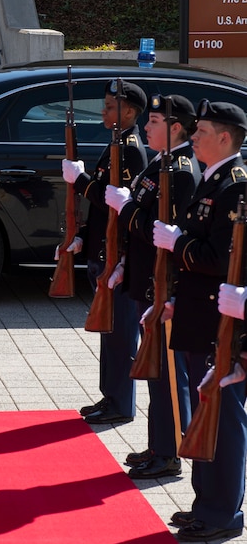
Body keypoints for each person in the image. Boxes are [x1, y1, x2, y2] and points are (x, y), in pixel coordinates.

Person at [153, 100, 247, 542]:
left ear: (224, 137)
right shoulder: (211, 179)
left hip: (219, 323)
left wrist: (177, 243)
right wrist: (175, 297)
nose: (192, 136)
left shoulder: (235, 187)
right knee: (204, 415)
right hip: (198, 314)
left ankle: (224, 511)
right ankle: (205, 503)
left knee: (223, 419)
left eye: (202, 130)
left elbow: (220, 259)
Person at [105, 94, 199, 478]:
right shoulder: (161, 164)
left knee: (169, 374)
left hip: (165, 288)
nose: (146, 126)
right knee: (157, 371)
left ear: (176, 128)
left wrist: (126, 209)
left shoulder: (180, 171)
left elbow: (166, 236)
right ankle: (159, 445)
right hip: (147, 284)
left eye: (155, 121)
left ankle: (171, 451)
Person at [61, 80, 148, 423]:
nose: (104, 111)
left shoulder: (130, 149)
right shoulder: (115, 143)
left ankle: (121, 403)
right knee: (109, 331)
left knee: (121, 333)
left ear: (129, 112)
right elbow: (102, 211)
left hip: (119, 258)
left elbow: (118, 204)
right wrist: (82, 236)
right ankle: (109, 396)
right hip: (103, 252)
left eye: (111, 106)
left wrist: (81, 182)